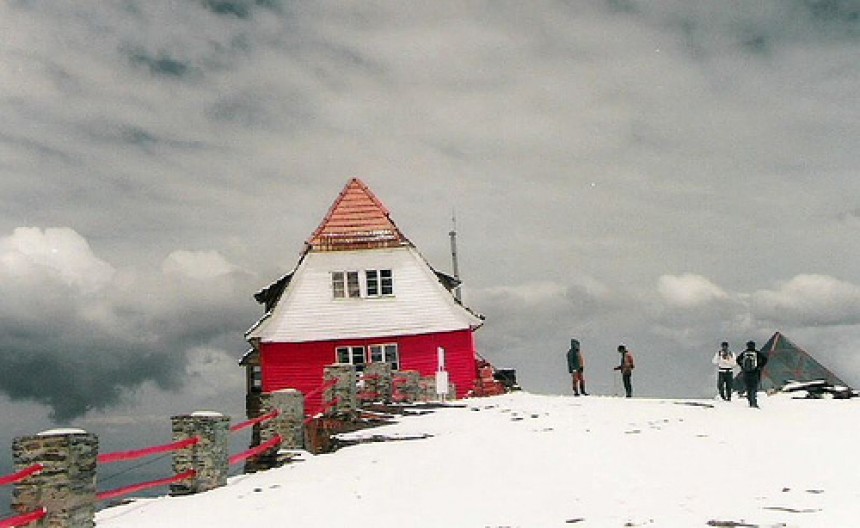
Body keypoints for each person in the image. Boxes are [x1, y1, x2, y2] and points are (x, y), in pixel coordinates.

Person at [737, 340, 768, 408]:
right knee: (754, 388)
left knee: (748, 388)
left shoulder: (744, 353)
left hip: (746, 373)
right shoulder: (757, 353)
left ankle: (750, 402)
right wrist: (760, 366)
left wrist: (742, 367)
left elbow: (738, 359)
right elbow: (765, 359)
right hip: (755, 373)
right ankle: (754, 402)